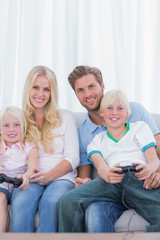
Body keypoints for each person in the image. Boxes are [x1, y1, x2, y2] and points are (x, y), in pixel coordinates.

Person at [59, 65, 160, 232]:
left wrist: (154, 172)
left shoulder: (137, 118)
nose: (88, 94)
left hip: (141, 181)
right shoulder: (86, 134)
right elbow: (90, 172)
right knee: (87, 210)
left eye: (91, 86)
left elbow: (154, 156)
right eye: (81, 90)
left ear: (102, 86)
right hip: (110, 185)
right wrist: (84, 182)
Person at [11, 65, 79, 232]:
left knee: (51, 202)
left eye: (46, 89)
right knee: (20, 201)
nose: (40, 94)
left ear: (52, 93)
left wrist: (47, 177)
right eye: (35, 87)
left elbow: (73, 158)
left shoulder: (65, 117)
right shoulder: (19, 119)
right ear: (28, 88)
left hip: (61, 178)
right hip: (30, 179)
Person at [0, 106, 38, 232]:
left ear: (23, 127)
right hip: (2, 184)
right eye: (6, 125)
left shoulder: (29, 147)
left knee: (22, 201)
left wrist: (26, 176)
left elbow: (33, 167)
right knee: (1, 198)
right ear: (0, 129)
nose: (11, 129)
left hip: (21, 183)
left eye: (16, 125)